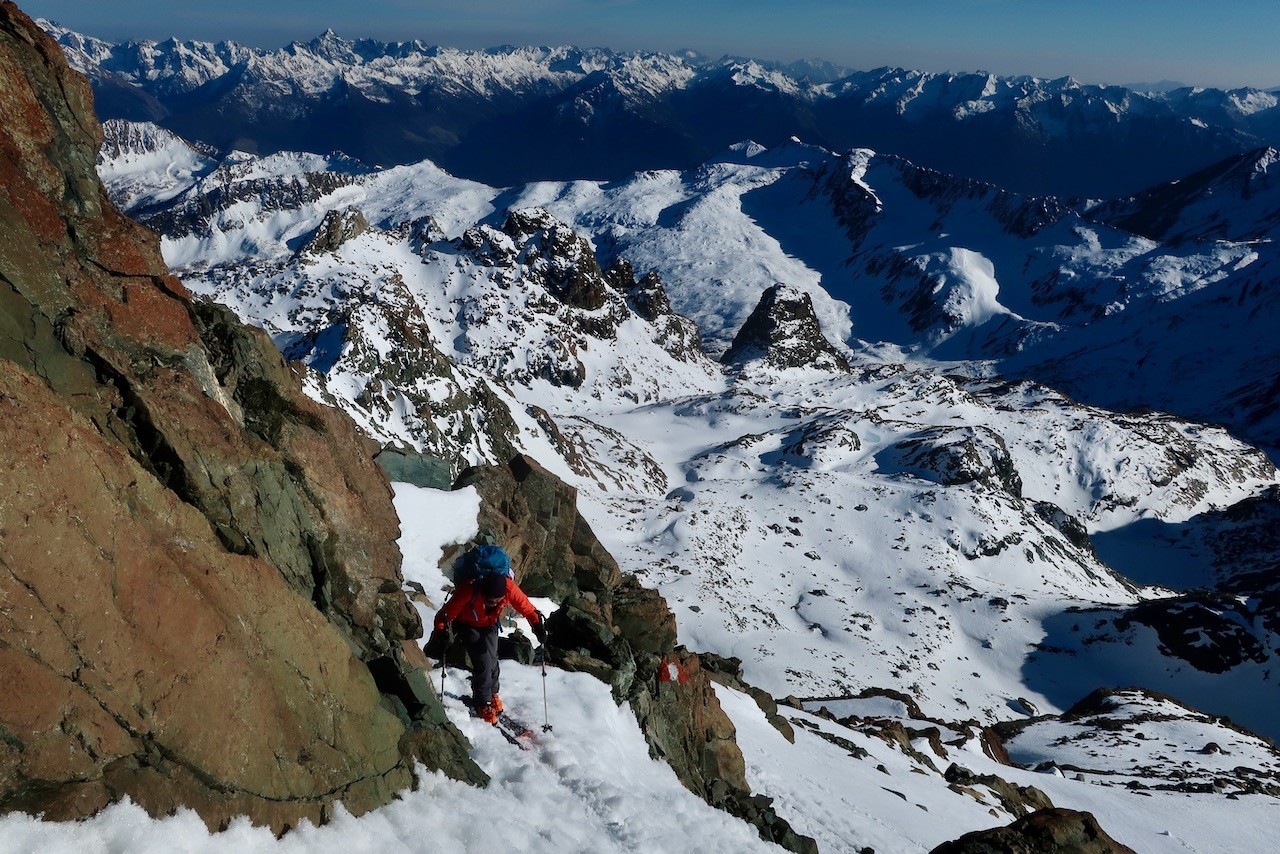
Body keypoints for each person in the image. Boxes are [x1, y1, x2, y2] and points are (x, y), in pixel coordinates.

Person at [430, 567, 547, 723]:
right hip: (467, 624)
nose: (492, 603)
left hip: (489, 624)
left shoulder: (509, 588)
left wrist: (537, 626)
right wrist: (442, 632)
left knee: (493, 659)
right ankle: (482, 703)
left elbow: (527, 608)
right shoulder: (469, 590)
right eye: (488, 600)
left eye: (496, 601)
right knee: (484, 660)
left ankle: (492, 694)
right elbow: (444, 615)